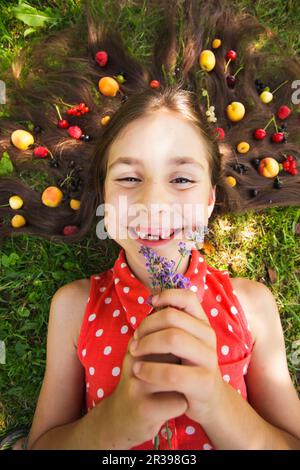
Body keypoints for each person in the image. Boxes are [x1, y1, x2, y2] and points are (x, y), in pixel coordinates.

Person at [0, 0, 299, 450]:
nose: (154, 202)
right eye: (129, 178)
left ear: (210, 200)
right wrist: (114, 423)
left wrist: (216, 402)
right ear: (104, 201)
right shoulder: (75, 307)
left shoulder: (252, 305)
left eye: (181, 179)